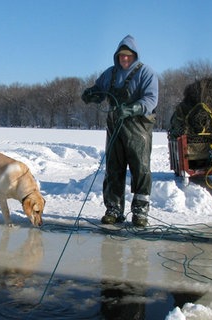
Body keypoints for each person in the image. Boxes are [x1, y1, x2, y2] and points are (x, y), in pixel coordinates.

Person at [81, 35, 158, 227]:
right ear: (117, 56)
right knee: (114, 169)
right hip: (115, 128)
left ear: (134, 56)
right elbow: (100, 90)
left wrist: (134, 108)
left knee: (140, 169)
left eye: (128, 56)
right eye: (121, 55)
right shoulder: (110, 73)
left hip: (138, 129)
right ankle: (113, 209)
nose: (124, 59)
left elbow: (151, 100)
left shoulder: (146, 73)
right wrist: (91, 94)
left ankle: (140, 211)